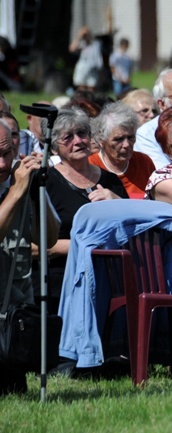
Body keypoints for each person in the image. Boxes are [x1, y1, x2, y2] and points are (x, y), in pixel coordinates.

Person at [45, 108, 128, 313]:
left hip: (111, 277)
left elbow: (134, 226)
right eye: (68, 137)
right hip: (64, 278)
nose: (78, 141)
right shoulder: (46, 182)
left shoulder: (110, 180)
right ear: (55, 148)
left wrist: (116, 200)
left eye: (82, 134)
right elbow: (36, 246)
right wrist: (88, 245)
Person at [0, 120, 59, 394]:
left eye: (7, 154)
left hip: (12, 320)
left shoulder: (20, 183)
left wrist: (37, 191)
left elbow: (48, 238)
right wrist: (15, 192)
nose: (3, 164)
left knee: (14, 392)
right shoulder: (14, 188)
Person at [89, 102, 155, 199]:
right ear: (101, 140)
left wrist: (117, 200)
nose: (126, 145)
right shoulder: (90, 166)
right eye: (118, 139)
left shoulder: (144, 162)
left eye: (131, 137)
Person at [69, 26, 104, 92]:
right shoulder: (82, 43)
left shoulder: (96, 43)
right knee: (81, 87)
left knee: (91, 87)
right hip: (83, 67)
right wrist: (79, 37)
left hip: (93, 67)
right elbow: (72, 49)